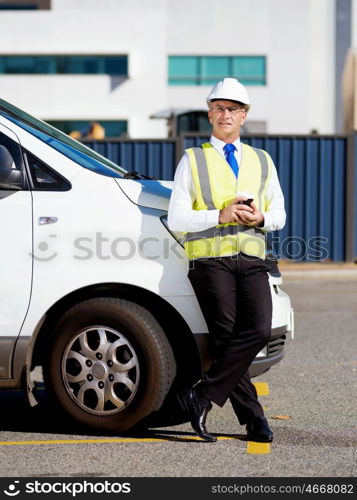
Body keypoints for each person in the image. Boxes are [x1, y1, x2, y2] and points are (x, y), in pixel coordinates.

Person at [168, 77, 286, 442]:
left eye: (233, 109)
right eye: (219, 108)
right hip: (210, 260)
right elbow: (177, 218)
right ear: (209, 114)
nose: (225, 115)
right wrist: (218, 216)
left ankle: (201, 396)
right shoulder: (193, 159)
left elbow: (280, 214)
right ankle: (255, 420)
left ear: (244, 115)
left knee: (258, 331)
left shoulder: (261, 160)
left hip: (251, 258)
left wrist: (261, 218)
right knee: (225, 339)